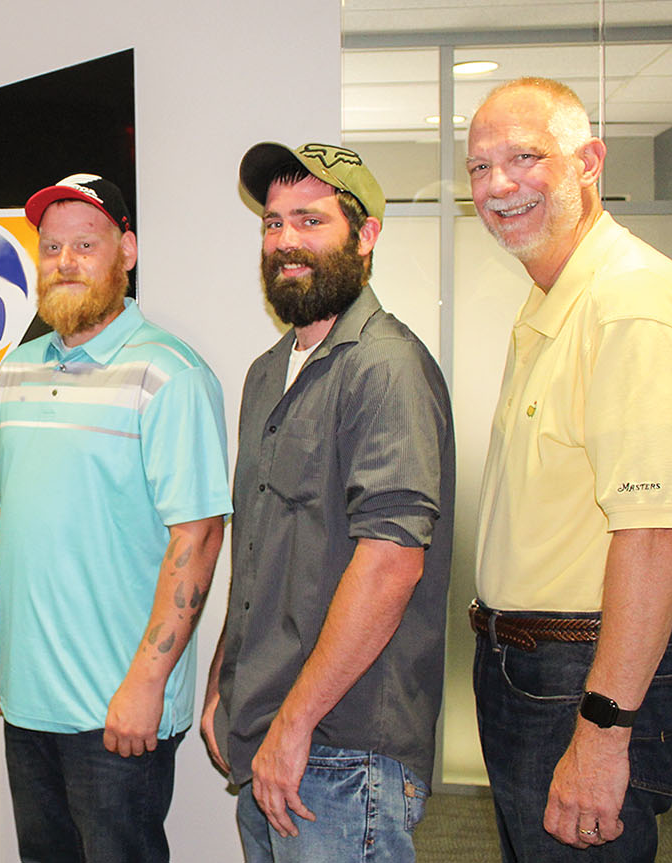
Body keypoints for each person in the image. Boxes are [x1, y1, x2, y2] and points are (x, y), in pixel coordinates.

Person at [465, 77, 672, 861]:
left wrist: (604, 730)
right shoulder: (555, 302)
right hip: (536, 670)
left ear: (589, 162)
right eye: (480, 167)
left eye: (524, 157)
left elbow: (655, 537)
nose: (499, 184)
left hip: (586, 676)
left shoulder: (632, 304)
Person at [0, 173, 231, 862]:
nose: (65, 263)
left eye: (86, 244)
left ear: (128, 250)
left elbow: (198, 536)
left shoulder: (170, 375)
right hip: (28, 701)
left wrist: (147, 684)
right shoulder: (16, 371)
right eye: (51, 248)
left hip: (118, 713)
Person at [202, 142, 454, 862]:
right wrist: (230, 683)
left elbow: (391, 563)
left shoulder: (387, 368)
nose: (285, 240)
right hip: (268, 736)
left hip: (343, 755)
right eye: (272, 223)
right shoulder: (267, 374)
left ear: (366, 236)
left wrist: (294, 723)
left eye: (309, 221)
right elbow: (257, 547)